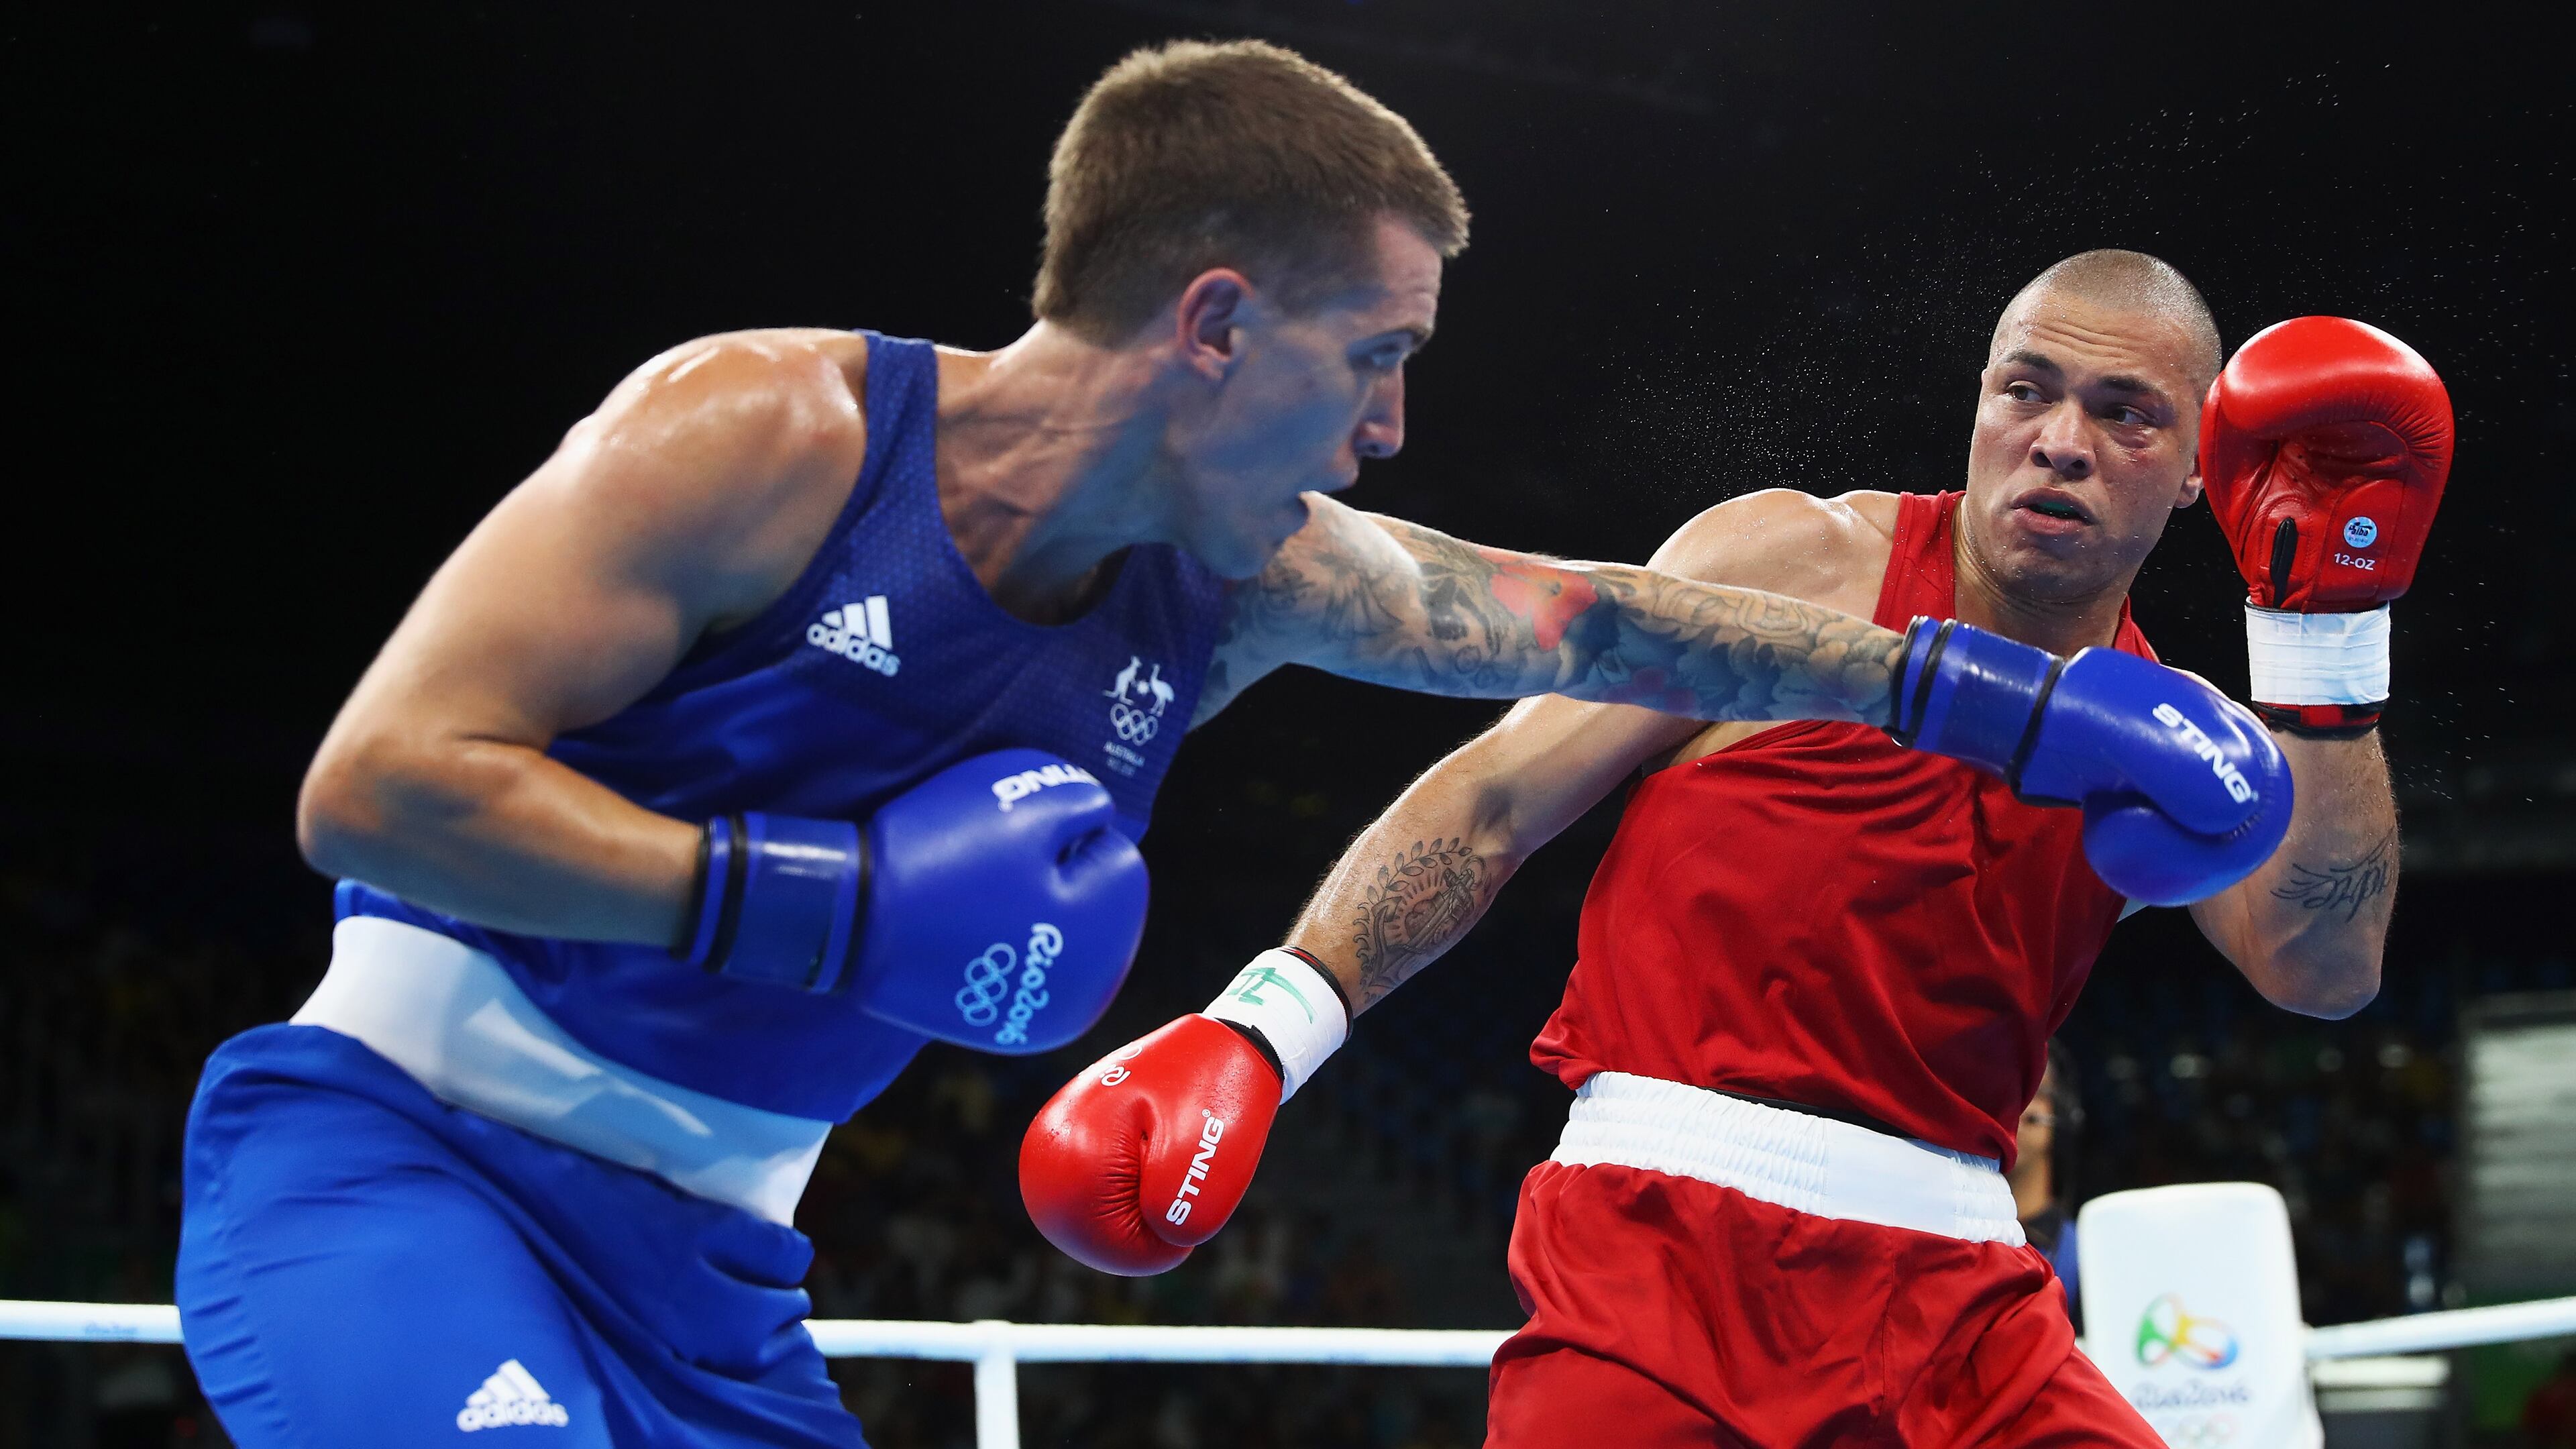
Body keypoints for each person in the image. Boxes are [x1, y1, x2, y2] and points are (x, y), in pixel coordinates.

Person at [171, 39, 2284, 1448]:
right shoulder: (765, 433)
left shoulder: (1259, 572)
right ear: (1208, 328)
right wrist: (817, 906)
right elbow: (381, 789)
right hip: (404, 1159)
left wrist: (1969, 691)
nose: (1386, 427)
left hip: (719, 1268)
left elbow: (1598, 621)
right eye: (1370, 359)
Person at [1022, 252, 2454, 1445]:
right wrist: (1266, 1028)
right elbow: (1495, 798)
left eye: (2126, 413)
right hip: (1654, 1263)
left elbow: (2323, 966)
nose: (2060, 440)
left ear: (2203, 464)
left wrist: (2325, 638)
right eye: (2027, 390)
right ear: (1980, 402)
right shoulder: (1792, 563)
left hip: (1965, 1305)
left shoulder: (2179, 743)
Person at [2012, 1040, 2084, 1318]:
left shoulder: (2088, 1256)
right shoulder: (1949, 1243)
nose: (2007, 1107)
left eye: (2028, 1090)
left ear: (2056, 1114)